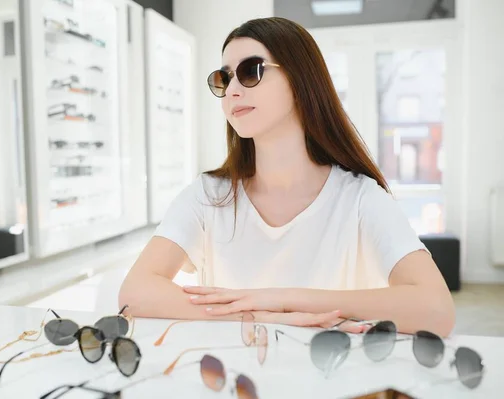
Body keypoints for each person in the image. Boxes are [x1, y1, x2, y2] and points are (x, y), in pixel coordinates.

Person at [119, 17, 455, 337]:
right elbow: (135, 291)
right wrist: (254, 315)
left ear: (300, 80)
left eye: (250, 72)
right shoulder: (208, 194)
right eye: (224, 79)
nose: (233, 90)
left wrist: (283, 299)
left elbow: (436, 309)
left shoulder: (360, 198)